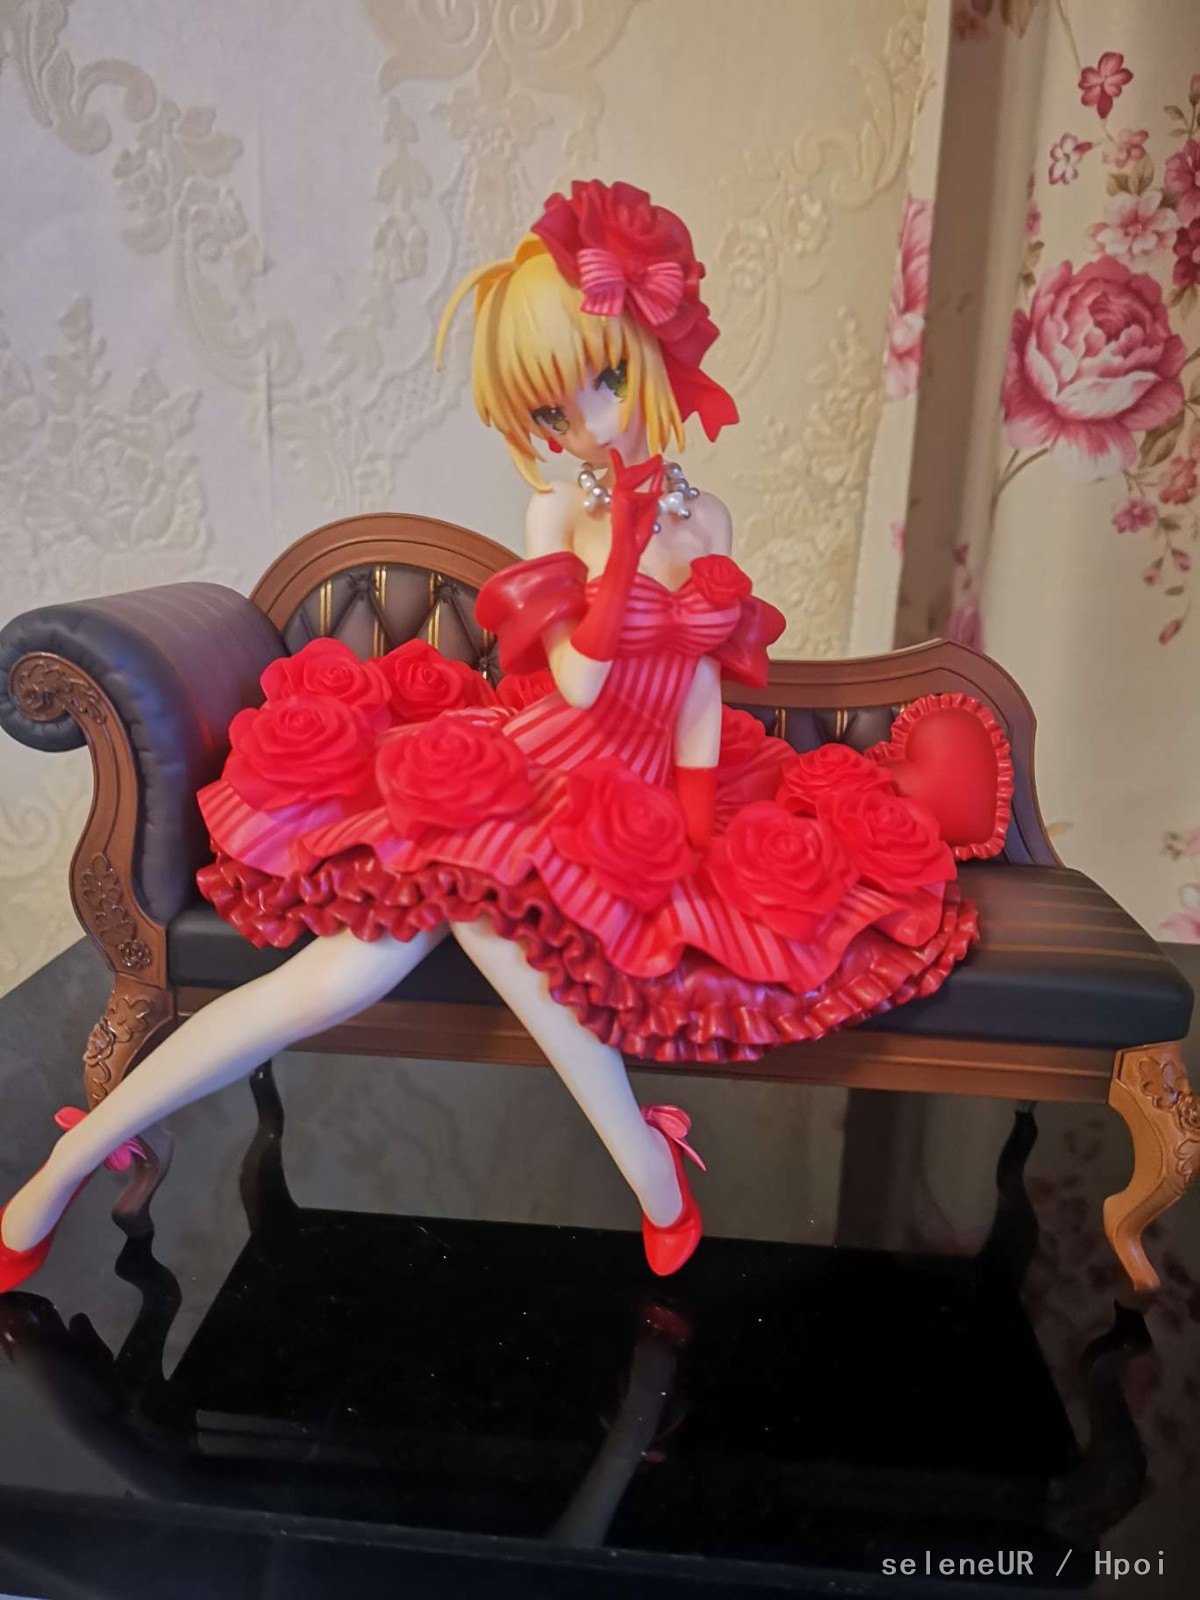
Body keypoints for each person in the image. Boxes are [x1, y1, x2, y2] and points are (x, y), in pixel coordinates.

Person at [0, 180, 1009, 1291]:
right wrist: (619, 559)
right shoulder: (558, 514)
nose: (585, 423)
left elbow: (699, 686)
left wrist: (694, 816)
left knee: (379, 963)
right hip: (535, 773)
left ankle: (73, 1158)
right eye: (551, 414)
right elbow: (574, 683)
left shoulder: (709, 521)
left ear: (653, 351)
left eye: (604, 381)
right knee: (362, 971)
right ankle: (647, 1167)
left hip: (636, 798)